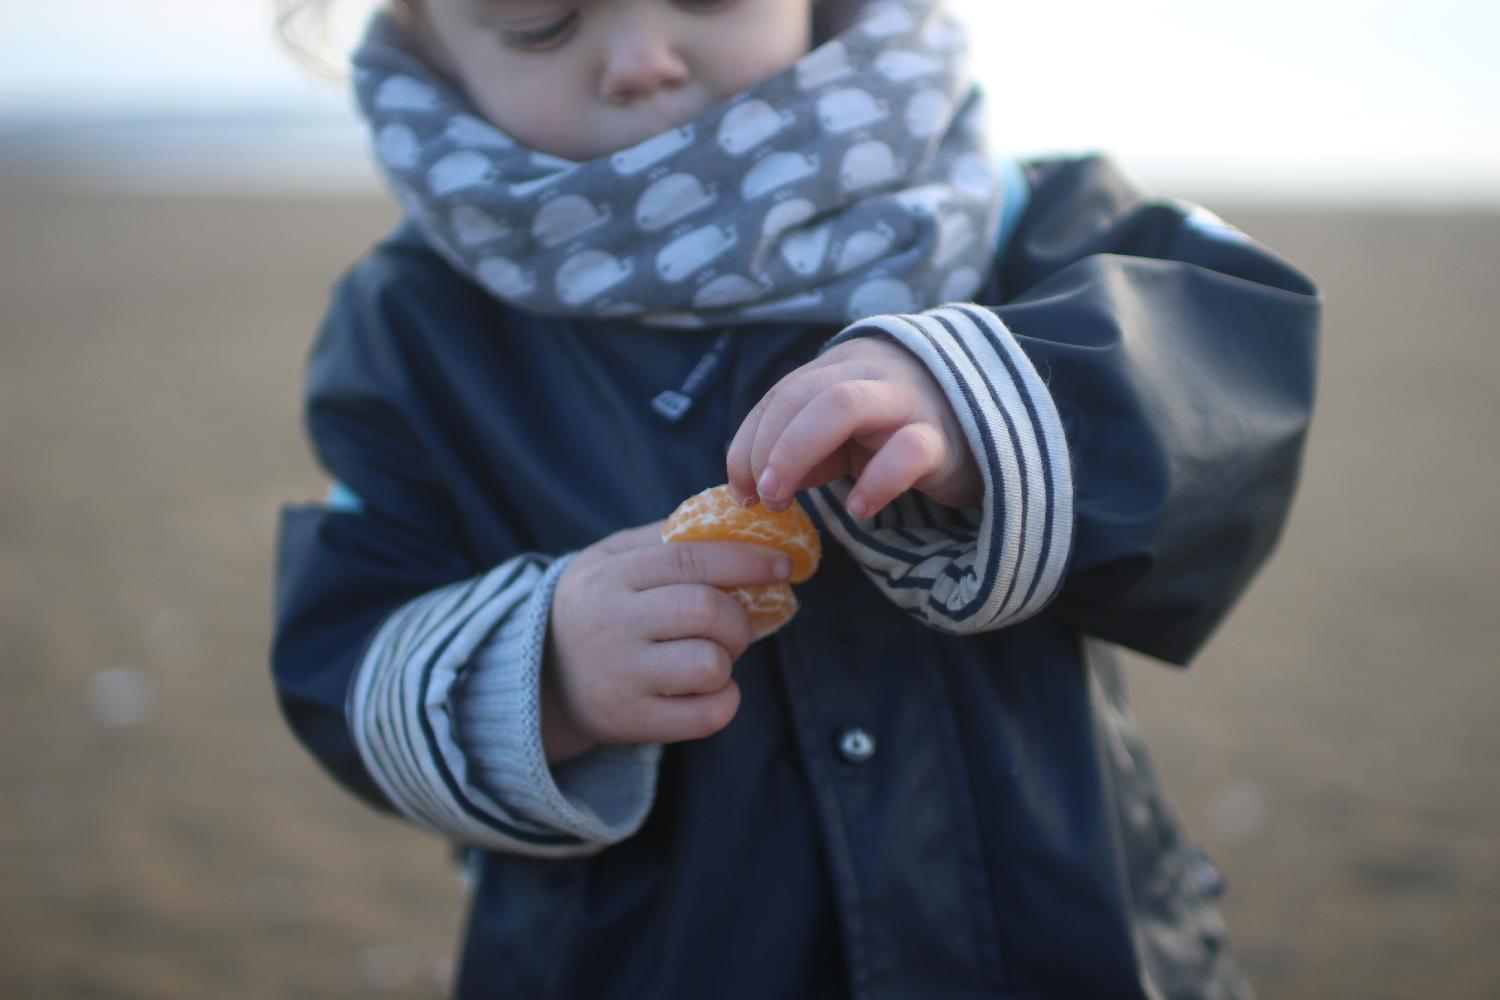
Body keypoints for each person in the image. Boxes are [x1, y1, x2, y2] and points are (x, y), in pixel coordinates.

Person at [270, 0, 1321, 996]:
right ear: (434, 39)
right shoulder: (418, 324)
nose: (642, 57)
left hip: (1064, 916)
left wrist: (981, 395)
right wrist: (542, 669)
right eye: (541, 21)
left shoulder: (996, 219)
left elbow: (1230, 368)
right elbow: (345, 639)